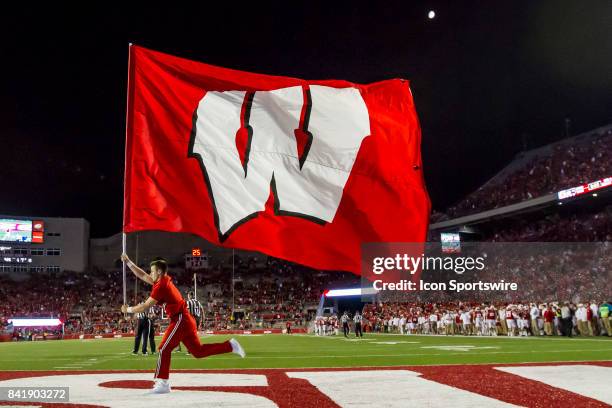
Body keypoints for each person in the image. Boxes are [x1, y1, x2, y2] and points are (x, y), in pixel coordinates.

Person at [121, 254, 245, 394]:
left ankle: (163, 383)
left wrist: (128, 309)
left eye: (153, 271)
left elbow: (145, 306)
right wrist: (129, 263)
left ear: (159, 272)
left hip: (180, 319)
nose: (150, 273)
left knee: (164, 348)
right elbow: (142, 275)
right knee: (198, 352)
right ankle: (230, 345)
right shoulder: (162, 281)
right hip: (185, 319)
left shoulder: (161, 285)